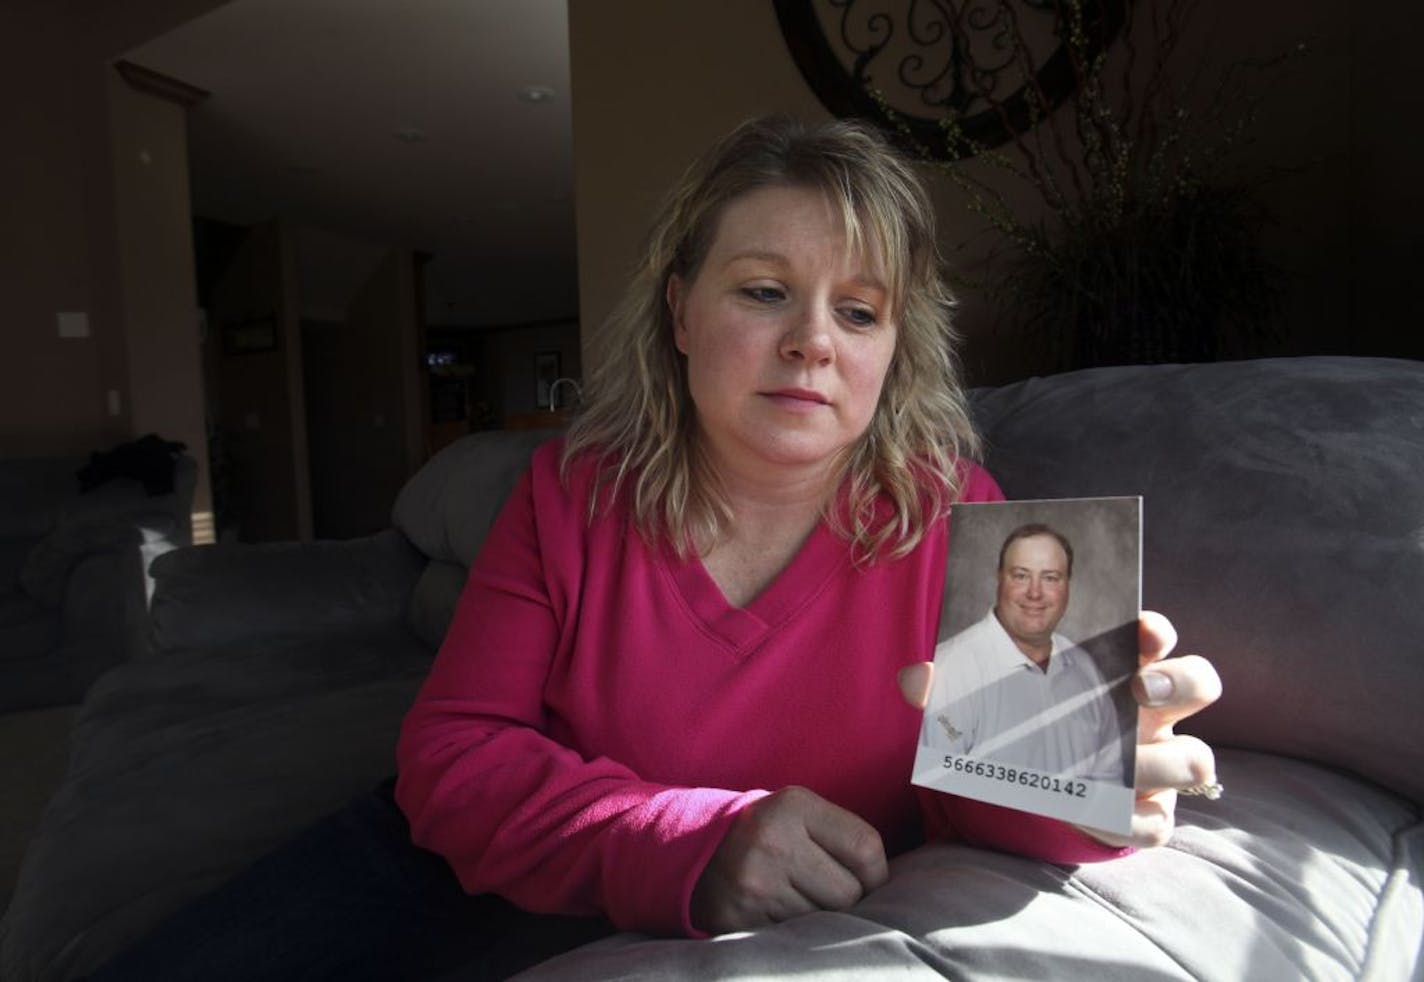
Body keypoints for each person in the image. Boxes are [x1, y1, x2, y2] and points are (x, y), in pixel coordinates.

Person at [89, 115, 1222, 981]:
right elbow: (452, 758)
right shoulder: (570, 493)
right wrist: (699, 837)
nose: (812, 342)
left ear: (892, 349)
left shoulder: (958, 514)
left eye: (860, 310)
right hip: (484, 865)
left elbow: (977, 800)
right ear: (680, 315)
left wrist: (1083, 786)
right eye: (765, 290)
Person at [921, 523, 1126, 783]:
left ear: (1067, 586)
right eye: (1020, 575)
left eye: (1050, 577)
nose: (1035, 593)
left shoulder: (1085, 668)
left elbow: (1109, 782)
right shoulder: (950, 668)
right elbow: (938, 792)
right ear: (999, 578)